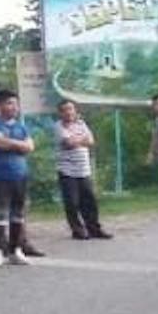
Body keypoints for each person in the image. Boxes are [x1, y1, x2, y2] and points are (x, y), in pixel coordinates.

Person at [0, 89, 36, 267]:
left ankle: (15, 250)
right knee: (0, 213)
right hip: (0, 175)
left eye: (15, 103)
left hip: (21, 174)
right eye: (9, 103)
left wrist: (13, 144)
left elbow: (30, 146)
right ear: (0, 105)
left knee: (18, 214)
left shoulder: (20, 125)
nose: (14, 107)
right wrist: (18, 145)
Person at [55, 99, 111, 240]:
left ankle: (94, 229)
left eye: (71, 109)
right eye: (65, 109)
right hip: (67, 171)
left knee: (90, 201)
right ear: (60, 113)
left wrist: (77, 140)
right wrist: (81, 140)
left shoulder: (81, 124)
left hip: (84, 170)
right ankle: (78, 230)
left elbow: (91, 141)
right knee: (72, 203)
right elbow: (68, 143)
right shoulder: (58, 126)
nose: (69, 112)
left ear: (75, 111)